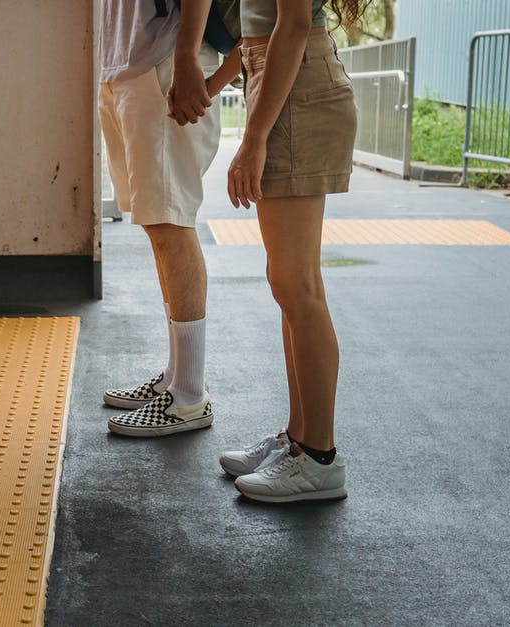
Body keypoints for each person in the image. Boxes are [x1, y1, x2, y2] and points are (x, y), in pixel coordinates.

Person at [206, 0, 368, 502]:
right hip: (281, 77)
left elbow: (294, 24)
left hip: (296, 84)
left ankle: (319, 457)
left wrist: (253, 138)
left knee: (296, 285)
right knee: (290, 284)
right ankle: (300, 440)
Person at [101, 1, 240, 438]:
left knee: (171, 223)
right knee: (158, 226)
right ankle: (175, 377)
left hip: (164, 61)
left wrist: (184, 59)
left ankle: (188, 397)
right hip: (126, 66)